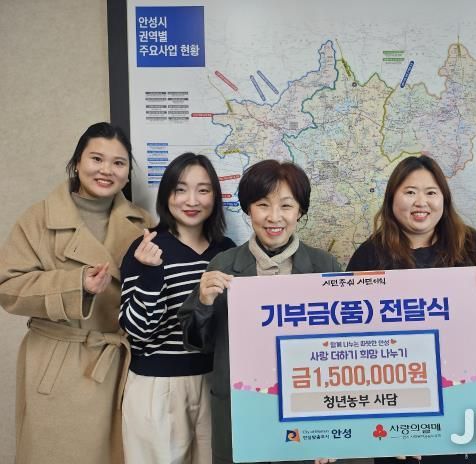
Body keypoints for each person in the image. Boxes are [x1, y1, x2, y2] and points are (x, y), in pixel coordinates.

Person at [346, 155, 476, 464]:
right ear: (392, 199)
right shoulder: (369, 255)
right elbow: (348, 332)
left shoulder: (473, 247)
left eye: (431, 192)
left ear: (444, 199)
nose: (421, 202)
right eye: (410, 192)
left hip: (462, 401)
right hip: (393, 405)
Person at [0, 122, 153, 464]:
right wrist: (75, 284)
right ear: (77, 162)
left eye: (118, 163)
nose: (106, 170)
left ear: (127, 173)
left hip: (120, 367)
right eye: (96, 159)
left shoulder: (143, 223)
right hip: (59, 365)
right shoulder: (39, 219)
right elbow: (7, 287)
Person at [177, 159, 342, 464]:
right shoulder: (224, 265)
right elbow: (197, 343)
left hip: (307, 417)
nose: (274, 217)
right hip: (242, 414)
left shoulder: (325, 267)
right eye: (263, 205)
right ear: (248, 209)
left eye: (286, 206)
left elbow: (344, 352)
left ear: (300, 211)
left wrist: (335, 434)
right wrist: (203, 302)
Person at [119, 152, 236, 463]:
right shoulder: (147, 248)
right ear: (166, 195)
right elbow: (137, 331)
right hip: (158, 385)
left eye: (203, 190)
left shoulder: (226, 251)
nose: (192, 200)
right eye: (180, 189)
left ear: (215, 196)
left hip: (214, 382)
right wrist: (151, 272)